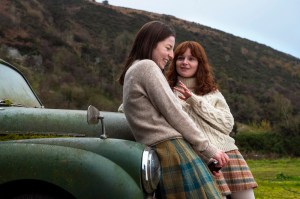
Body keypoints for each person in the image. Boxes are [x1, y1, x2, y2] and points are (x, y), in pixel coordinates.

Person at [118, 21, 229, 198]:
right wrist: (209, 149)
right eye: (168, 48)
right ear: (151, 43)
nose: (171, 55)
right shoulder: (147, 67)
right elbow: (175, 114)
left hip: (165, 151)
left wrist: (204, 158)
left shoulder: (134, 69)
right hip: (172, 151)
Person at [166, 41, 258, 199]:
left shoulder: (211, 92)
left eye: (191, 59)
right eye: (180, 58)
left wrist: (194, 101)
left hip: (227, 153)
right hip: (196, 157)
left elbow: (227, 124)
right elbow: (131, 105)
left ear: (199, 63)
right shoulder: (165, 90)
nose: (185, 62)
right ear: (174, 62)